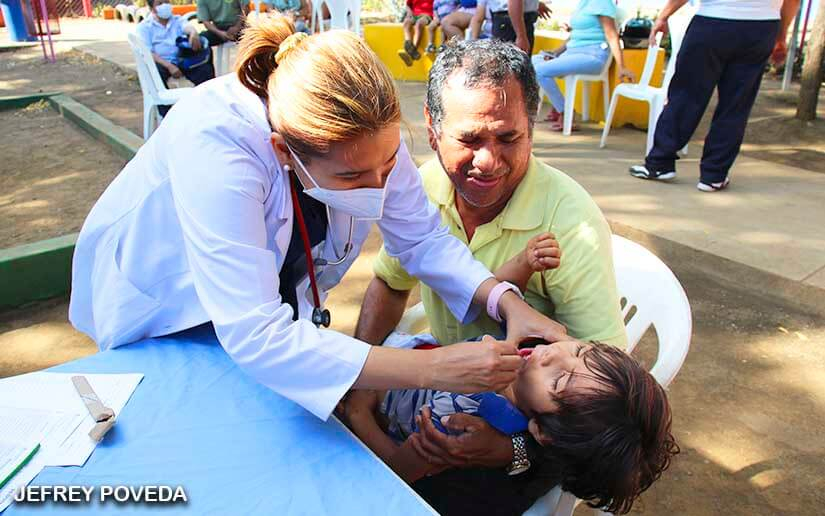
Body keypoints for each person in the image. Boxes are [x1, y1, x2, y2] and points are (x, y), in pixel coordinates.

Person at [69, 15, 566, 424]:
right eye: (353, 176)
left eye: (390, 163)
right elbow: (258, 333)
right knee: (179, 418)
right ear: (286, 152)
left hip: (255, 315)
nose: (379, 185)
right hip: (163, 305)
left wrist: (504, 302)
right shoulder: (218, 145)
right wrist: (431, 368)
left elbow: (423, 239)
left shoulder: (369, 139)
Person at [355, 38, 627, 513]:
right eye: (469, 140)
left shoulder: (571, 225)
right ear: (433, 130)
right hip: (431, 384)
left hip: (523, 440)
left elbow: (600, 397)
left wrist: (511, 451)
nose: (489, 161)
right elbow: (390, 283)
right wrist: (360, 376)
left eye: (509, 138)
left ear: (532, 130)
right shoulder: (422, 187)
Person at [338, 339, 678, 515]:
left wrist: (359, 416)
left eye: (558, 381)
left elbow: (395, 474)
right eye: (579, 349)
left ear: (542, 433)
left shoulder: (463, 431)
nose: (551, 354)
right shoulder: (530, 373)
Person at [629, 0, 800, 191]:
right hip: (761, 27)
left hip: (713, 22)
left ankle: (659, 163)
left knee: (686, 94)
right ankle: (714, 175)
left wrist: (664, 16)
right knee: (736, 104)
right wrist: (781, 34)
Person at [531, 0, 635, 132]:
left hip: (593, 55)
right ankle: (560, 107)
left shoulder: (602, 2)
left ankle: (565, 111)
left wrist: (622, 66)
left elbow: (611, 34)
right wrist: (555, 53)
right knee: (532, 61)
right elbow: (574, 36)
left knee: (540, 71)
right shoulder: (583, 3)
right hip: (572, 53)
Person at [136, 0, 216, 115]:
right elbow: (147, 53)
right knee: (155, 74)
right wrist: (169, 66)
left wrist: (193, 33)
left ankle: (208, 107)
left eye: (166, 1)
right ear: (152, 8)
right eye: (160, 3)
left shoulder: (177, 20)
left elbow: (187, 27)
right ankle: (166, 116)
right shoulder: (144, 27)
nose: (165, 5)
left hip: (182, 59)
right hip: (162, 63)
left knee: (204, 67)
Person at [397, 0, 434, 66]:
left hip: (427, 14)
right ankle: (409, 46)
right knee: (406, 22)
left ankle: (412, 50)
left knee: (419, 24)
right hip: (415, 15)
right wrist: (409, 12)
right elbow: (408, 5)